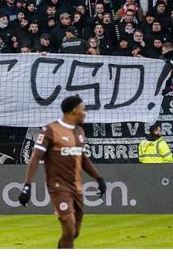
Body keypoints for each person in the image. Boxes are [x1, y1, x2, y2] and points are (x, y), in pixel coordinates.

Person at [17, 95, 107, 249]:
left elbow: (83, 158)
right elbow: (35, 157)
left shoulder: (79, 131)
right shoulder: (50, 130)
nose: (85, 112)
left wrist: (99, 178)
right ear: (74, 111)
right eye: (83, 109)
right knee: (69, 225)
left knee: (74, 233)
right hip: (58, 186)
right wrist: (27, 185)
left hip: (76, 187)